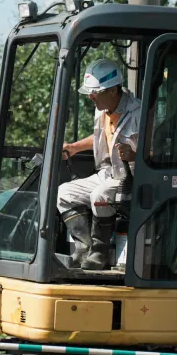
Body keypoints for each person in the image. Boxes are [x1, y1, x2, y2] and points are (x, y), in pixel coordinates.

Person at [57, 59, 141, 270]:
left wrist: (133, 154)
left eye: (95, 92)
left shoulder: (139, 113)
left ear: (113, 90)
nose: (91, 96)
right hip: (107, 173)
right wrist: (74, 147)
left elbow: (157, 153)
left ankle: (99, 252)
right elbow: (101, 137)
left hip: (131, 177)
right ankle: (84, 247)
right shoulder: (102, 109)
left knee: (100, 196)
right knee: (64, 193)